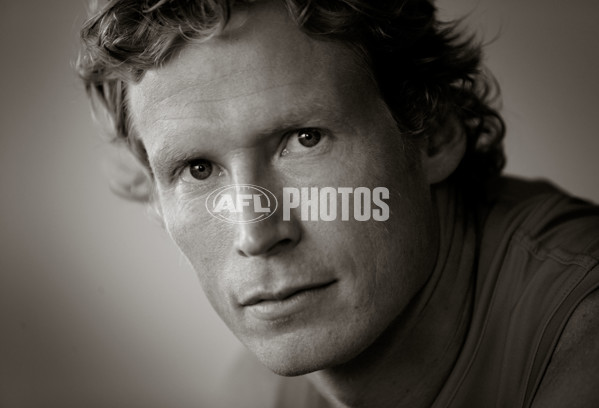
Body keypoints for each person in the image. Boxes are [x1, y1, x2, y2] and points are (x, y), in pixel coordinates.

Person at [77, 0, 599, 407]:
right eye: (197, 169)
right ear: (154, 196)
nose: (256, 234)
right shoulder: (255, 389)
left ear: (433, 132)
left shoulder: (582, 340)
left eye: (304, 139)